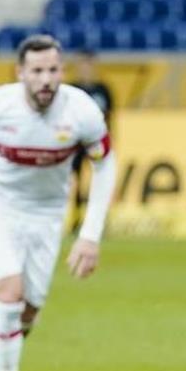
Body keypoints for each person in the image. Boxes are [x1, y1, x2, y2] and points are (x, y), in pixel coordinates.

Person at [0, 34, 116, 371]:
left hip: (47, 215)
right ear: (21, 73)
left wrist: (90, 235)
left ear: (61, 71)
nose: (46, 79)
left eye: (52, 70)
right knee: (9, 294)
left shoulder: (82, 111)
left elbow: (105, 165)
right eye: (37, 71)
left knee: (28, 311)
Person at [69, 49, 114, 235]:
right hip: (76, 144)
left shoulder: (103, 90)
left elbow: (110, 118)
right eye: (83, 65)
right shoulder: (71, 90)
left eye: (89, 64)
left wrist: (111, 140)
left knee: (99, 182)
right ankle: (75, 219)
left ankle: (98, 222)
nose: (86, 69)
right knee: (76, 183)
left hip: (96, 144)